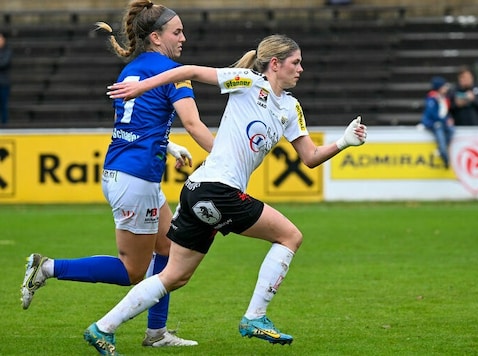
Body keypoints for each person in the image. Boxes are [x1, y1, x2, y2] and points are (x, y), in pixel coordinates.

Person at [82, 34, 367, 355]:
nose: (301, 69)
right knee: (290, 236)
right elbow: (186, 70)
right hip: (216, 190)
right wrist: (141, 87)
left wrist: (343, 142)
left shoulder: (290, 107)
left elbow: (310, 157)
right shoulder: (246, 81)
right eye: (296, 62)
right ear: (275, 64)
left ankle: (102, 327)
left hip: (198, 191)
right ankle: (255, 317)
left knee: (174, 276)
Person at [20, 0, 214, 348]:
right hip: (135, 179)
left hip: (129, 172)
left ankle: (156, 333)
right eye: (177, 31)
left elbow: (135, 124)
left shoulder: (132, 69)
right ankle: (46, 267)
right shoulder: (175, 71)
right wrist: (227, 158)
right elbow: (193, 123)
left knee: (168, 249)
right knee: (132, 271)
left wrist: (168, 147)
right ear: (156, 37)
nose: (183, 37)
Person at [421, 76, 454, 168]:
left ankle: (441, 151)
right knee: (441, 136)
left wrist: (448, 119)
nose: (446, 89)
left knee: (451, 130)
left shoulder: (443, 98)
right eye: (444, 87)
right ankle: (445, 157)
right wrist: (443, 120)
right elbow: (433, 114)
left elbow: (445, 112)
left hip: (441, 123)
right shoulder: (432, 98)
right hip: (433, 123)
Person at [0, 31, 12, 126]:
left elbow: (4, 63)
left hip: (3, 83)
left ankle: (4, 126)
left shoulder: (7, 51)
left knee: (3, 105)